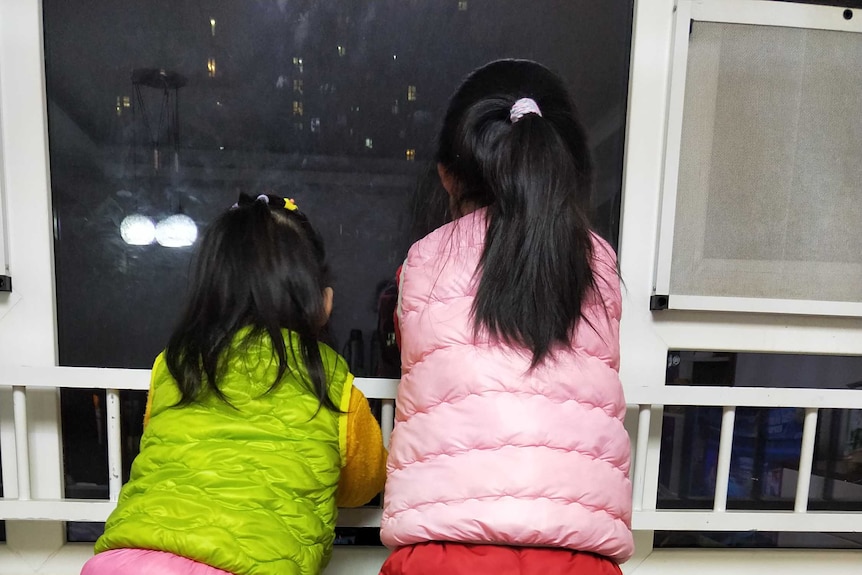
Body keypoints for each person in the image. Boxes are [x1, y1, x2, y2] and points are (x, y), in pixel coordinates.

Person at [379, 59, 633, 575]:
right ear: (566, 170)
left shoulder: (424, 263)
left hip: (441, 556)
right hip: (581, 560)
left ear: (448, 178)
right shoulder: (598, 264)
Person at [81, 193, 388, 575]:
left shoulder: (175, 362)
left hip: (125, 560)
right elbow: (364, 482)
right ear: (322, 302)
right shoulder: (329, 379)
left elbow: (158, 443)